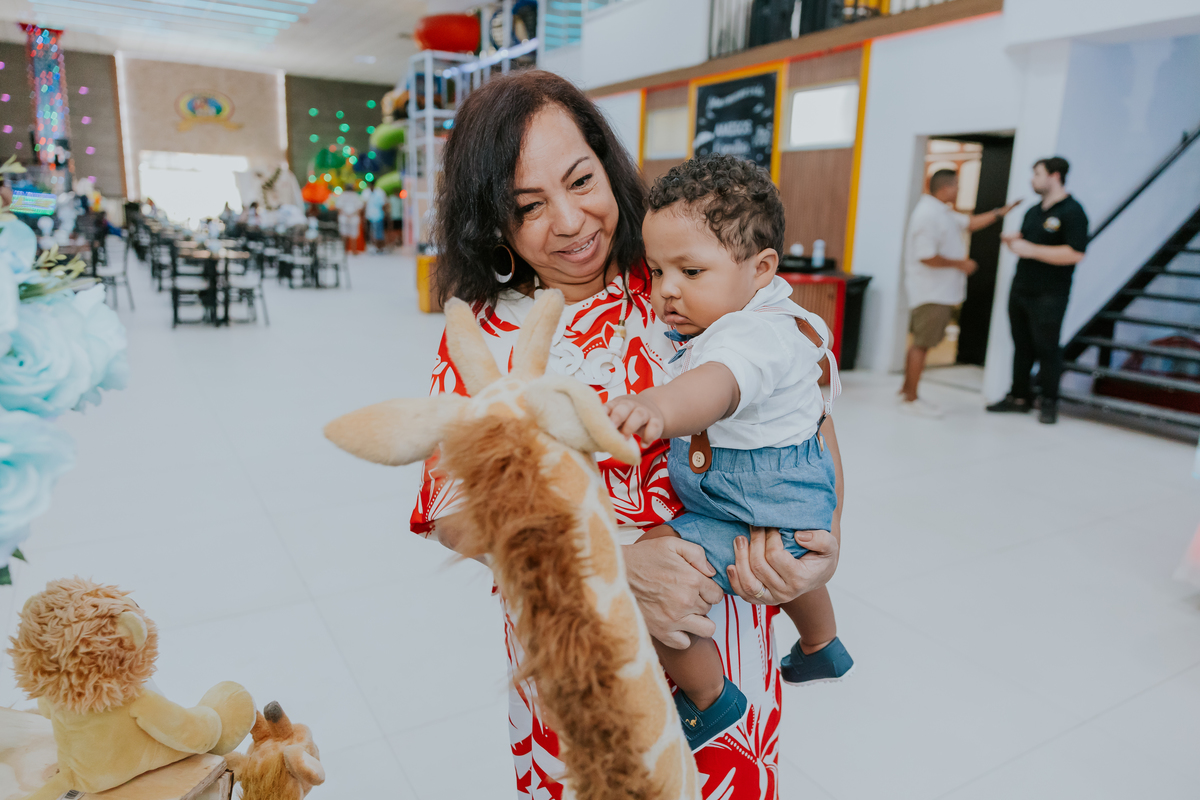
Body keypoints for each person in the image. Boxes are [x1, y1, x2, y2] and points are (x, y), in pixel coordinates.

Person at [410, 70, 840, 798]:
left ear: (609, 167)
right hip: (580, 636)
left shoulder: (682, 275)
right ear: (495, 223)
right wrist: (612, 565)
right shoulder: (485, 336)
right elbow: (452, 510)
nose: (572, 221)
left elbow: (806, 407)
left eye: (582, 181)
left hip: (723, 617)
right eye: (530, 206)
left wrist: (822, 542)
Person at [606, 154, 851, 750]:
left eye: (691, 271)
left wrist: (659, 410)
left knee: (667, 574)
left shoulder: (751, 335)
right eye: (657, 270)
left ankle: (708, 700)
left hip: (747, 496)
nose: (667, 290)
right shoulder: (757, 316)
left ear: (762, 268)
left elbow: (715, 386)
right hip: (779, 500)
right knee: (785, 555)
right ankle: (822, 644)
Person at [900, 169, 1018, 417]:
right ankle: (911, 398)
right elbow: (926, 256)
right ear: (946, 188)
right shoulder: (928, 215)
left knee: (920, 342)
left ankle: (905, 390)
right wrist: (960, 264)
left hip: (939, 291)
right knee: (922, 344)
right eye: (956, 186)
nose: (959, 190)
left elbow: (970, 224)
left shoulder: (943, 212)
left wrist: (1000, 213)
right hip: (932, 292)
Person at [988, 157, 1088, 424]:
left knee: (1047, 348)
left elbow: (1075, 253)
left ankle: (1049, 401)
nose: (1033, 179)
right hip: (1022, 288)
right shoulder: (1033, 212)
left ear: (1054, 176)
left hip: (1050, 293)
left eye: (1037, 174)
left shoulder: (1073, 211)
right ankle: (1019, 397)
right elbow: (1030, 243)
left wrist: (1031, 250)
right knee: (1021, 345)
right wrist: (1016, 241)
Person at [363, 181, 387, 251]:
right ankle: (375, 246)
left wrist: (385, 214)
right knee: (372, 232)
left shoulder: (379, 193)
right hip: (370, 216)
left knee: (379, 232)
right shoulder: (366, 193)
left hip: (379, 216)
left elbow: (383, 204)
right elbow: (365, 205)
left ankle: (380, 247)